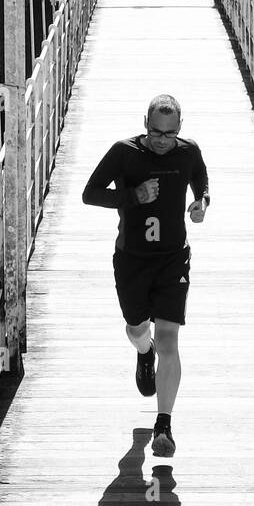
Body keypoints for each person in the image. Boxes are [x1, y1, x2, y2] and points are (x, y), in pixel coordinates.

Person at [81, 94, 209, 457]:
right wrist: (132, 195)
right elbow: (90, 194)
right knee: (138, 328)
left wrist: (202, 202)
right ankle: (143, 350)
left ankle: (163, 426)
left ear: (180, 128)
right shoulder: (125, 152)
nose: (162, 140)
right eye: (155, 132)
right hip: (132, 259)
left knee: (170, 339)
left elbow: (200, 178)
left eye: (169, 133)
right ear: (145, 124)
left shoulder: (188, 151)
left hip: (173, 259)